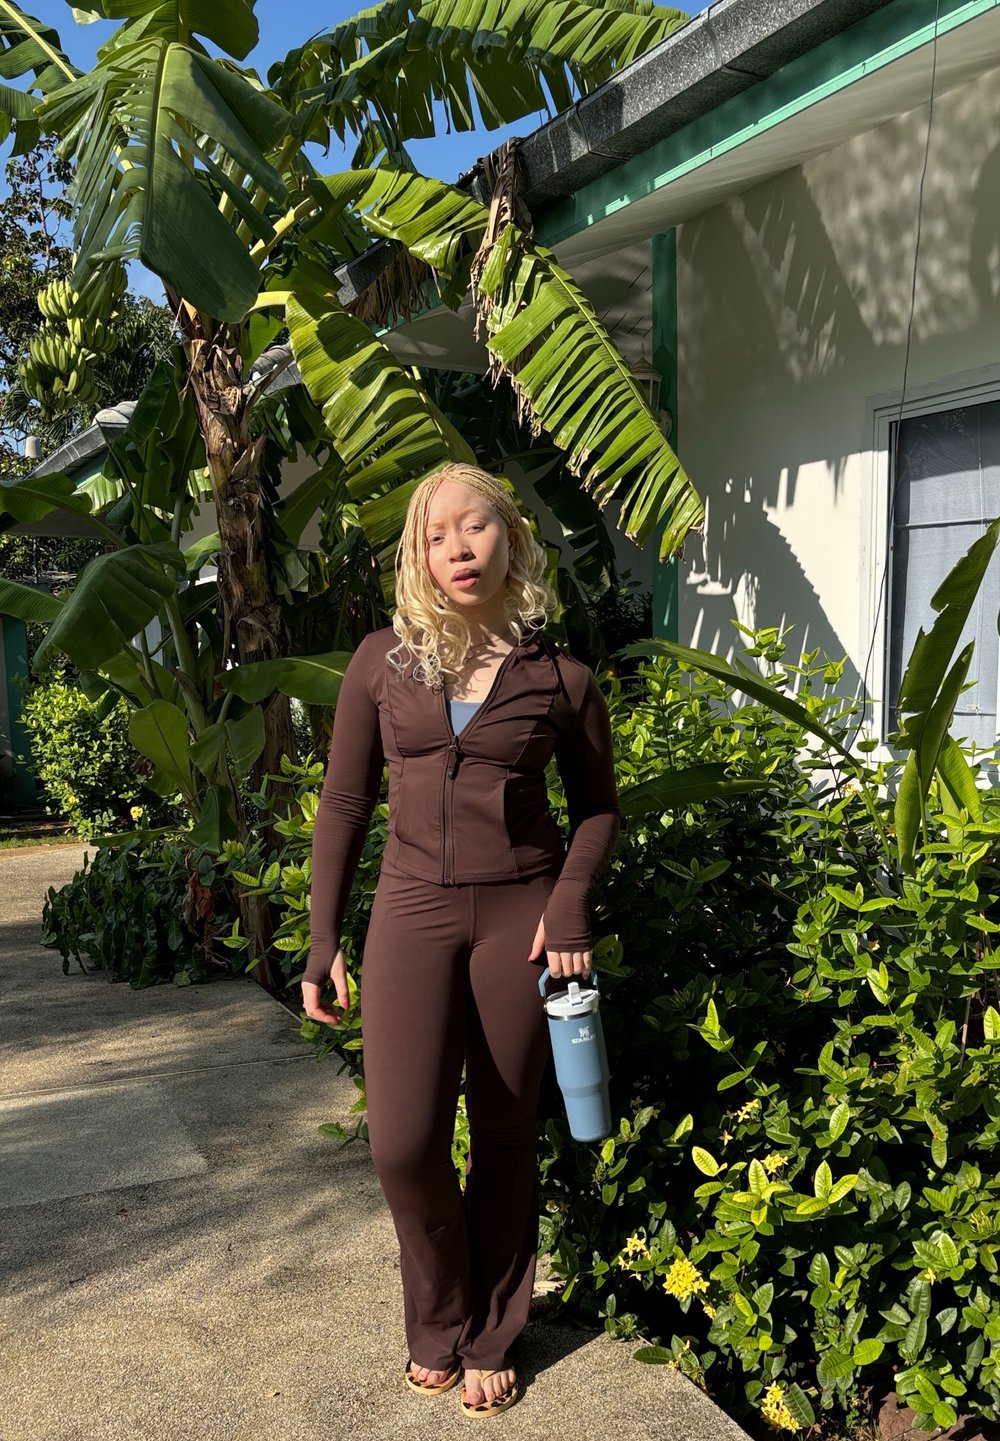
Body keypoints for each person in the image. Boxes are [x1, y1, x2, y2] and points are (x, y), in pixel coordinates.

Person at [301, 462, 620, 1417]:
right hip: (409, 913)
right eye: (436, 535)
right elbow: (346, 799)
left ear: (509, 538)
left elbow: (599, 811)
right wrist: (323, 936)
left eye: (473, 528)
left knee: (508, 1133)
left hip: (519, 922)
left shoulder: (559, 678)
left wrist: (569, 906)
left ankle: (488, 1329)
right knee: (403, 1143)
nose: (457, 548)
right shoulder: (381, 661)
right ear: (418, 554)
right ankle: (435, 1310)